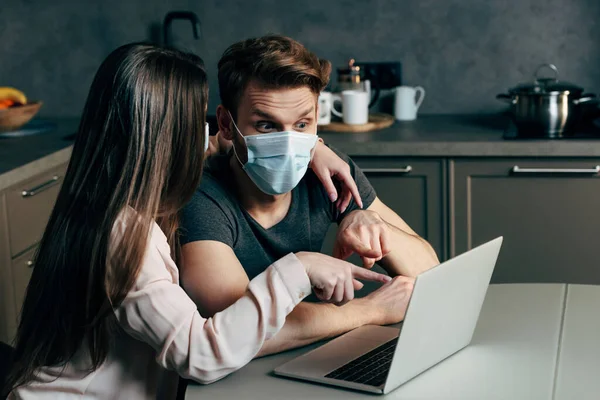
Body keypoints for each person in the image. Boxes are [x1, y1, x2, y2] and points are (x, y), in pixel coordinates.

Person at [2, 43, 392, 399]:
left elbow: (228, 138)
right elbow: (200, 355)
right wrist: (302, 268)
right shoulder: (125, 234)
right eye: (195, 121)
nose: (204, 133)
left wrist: (311, 147)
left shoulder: (104, 201)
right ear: (164, 136)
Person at [179, 35, 440, 356]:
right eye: (265, 126)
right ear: (226, 124)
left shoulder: (328, 174)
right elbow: (238, 327)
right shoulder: (200, 196)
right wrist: (372, 310)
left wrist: (370, 222)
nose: (289, 144)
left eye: (302, 124)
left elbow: (431, 273)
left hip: (316, 351)